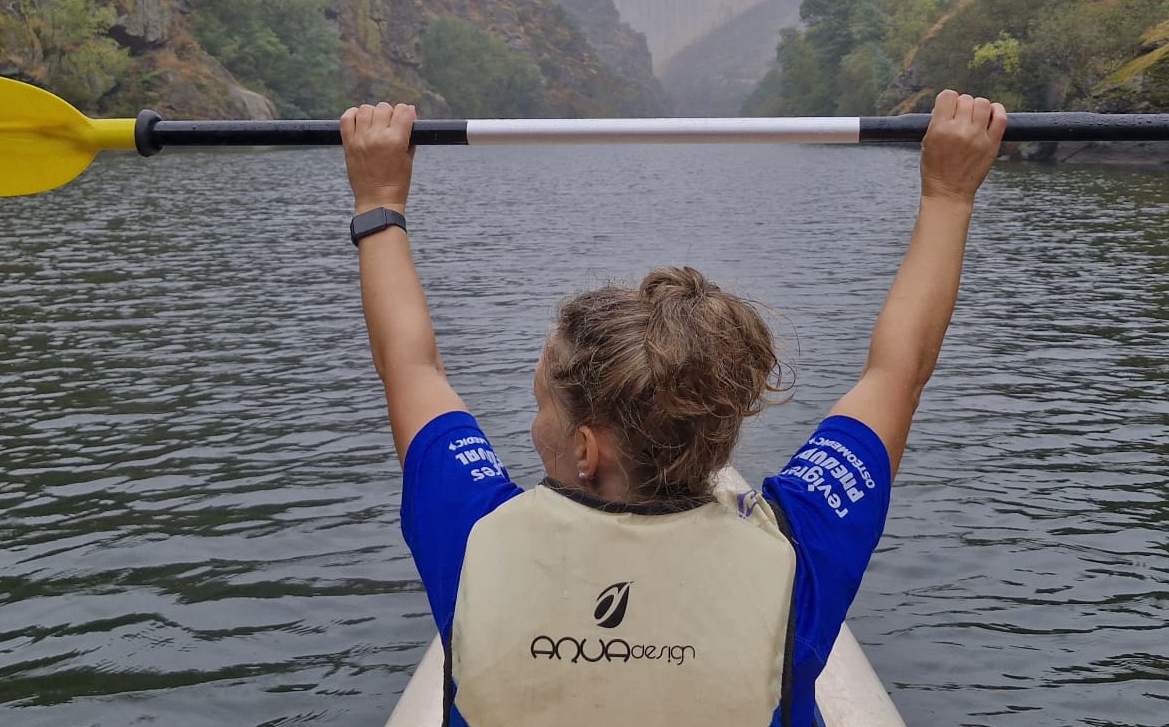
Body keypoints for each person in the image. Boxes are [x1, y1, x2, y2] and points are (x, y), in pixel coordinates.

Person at [341, 89, 1008, 727]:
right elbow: (897, 375)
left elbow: (411, 366)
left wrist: (379, 201)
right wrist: (948, 194)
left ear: (586, 450)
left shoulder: (471, 539)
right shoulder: (795, 551)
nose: (533, 417)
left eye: (543, 400)